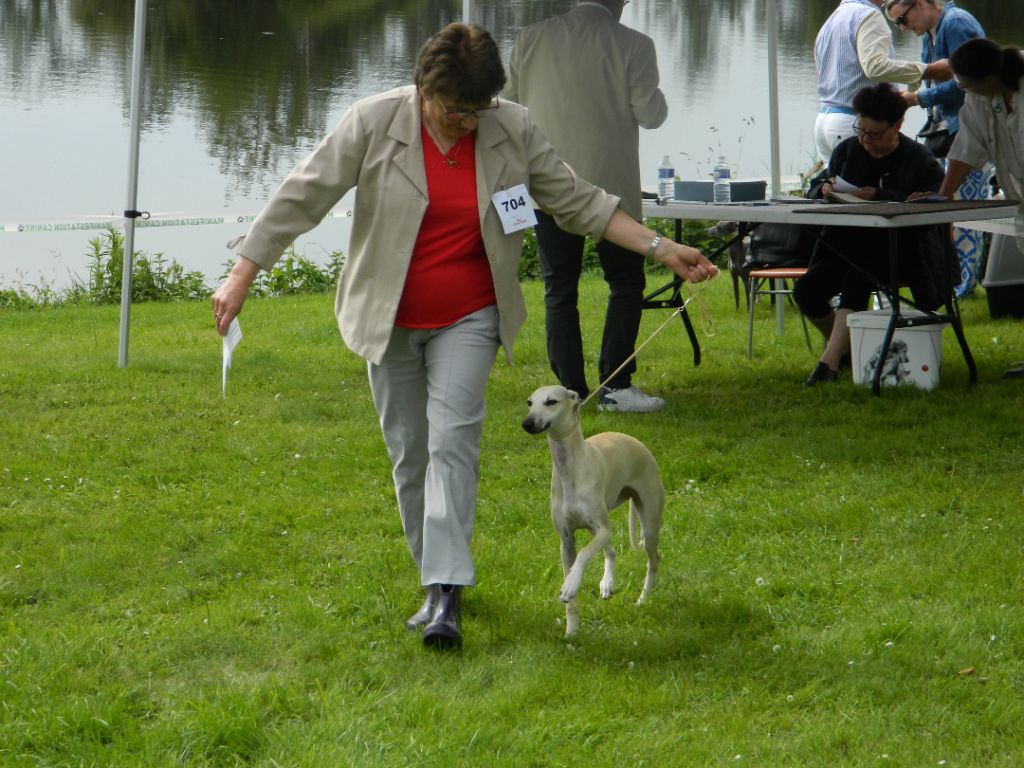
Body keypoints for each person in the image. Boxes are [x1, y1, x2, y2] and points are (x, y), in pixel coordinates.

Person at [210, 23, 717, 650]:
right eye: (456, 109)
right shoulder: (372, 122)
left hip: (471, 315)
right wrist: (242, 274)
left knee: (453, 442)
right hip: (388, 317)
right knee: (410, 452)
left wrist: (661, 248)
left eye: (479, 109)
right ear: (425, 88)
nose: (468, 123)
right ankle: (434, 579)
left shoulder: (512, 127)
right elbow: (300, 197)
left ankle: (447, 594)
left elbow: (579, 201)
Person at [503, 0, 670, 413]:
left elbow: (506, 107)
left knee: (559, 288)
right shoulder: (636, 44)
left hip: (547, 185)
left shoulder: (530, 38)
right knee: (626, 284)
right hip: (613, 189)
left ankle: (569, 390)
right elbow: (651, 114)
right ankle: (617, 385)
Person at [794, 83, 949, 386]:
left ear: (898, 125)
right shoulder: (847, 150)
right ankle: (846, 351)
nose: (866, 140)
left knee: (857, 274)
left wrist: (879, 195)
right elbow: (819, 185)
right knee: (807, 290)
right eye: (861, 130)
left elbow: (933, 207)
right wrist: (822, 190)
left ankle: (828, 364)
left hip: (902, 253)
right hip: (844, 248)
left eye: (875, 134)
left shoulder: (919, 159)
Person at [918, 38, 1024, 379]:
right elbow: (968, 147)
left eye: (964, 83)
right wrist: (944, 193)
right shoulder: (979, 98)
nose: (962, 89)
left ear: (988, 79)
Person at [886, 0, 988, 299]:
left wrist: (917, 98)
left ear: (920, 4)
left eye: (902, 20)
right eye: (897, 24)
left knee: (966, 209)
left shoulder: (955, 23)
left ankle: (963, 285)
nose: (903, 28)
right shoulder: (932, 31)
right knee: (952, 205)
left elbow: (966, 81)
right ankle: (956, 280)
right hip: (951, 130)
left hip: (972, 131)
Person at [814, 0, 953, 165]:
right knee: (866, 188)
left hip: (825, 121)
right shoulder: (868, 15)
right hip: (856, 124)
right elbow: (875, 67)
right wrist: (927, 71)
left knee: (838, 189)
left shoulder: (832, 20)